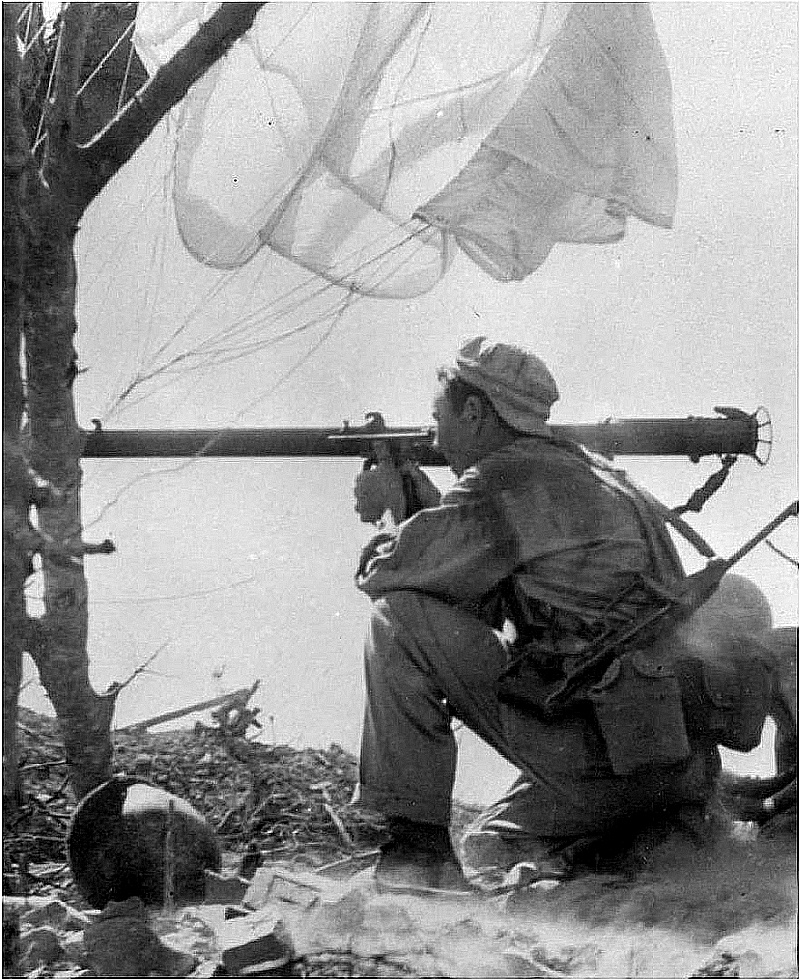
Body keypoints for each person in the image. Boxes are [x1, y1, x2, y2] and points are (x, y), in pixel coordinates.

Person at [350, 336, 725, 893]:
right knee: (487, 843)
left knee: (396, 619)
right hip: (670, 760)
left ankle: (417, 856)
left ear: (474, 411)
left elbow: (391, 574)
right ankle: (626, 844)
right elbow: (478, 572)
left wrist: (386, 506)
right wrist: (421, 501)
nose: (433, 436)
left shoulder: (504, 480)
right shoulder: (591, 472)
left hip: (599, 760)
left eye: (438, 418)